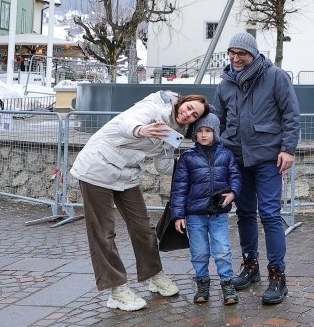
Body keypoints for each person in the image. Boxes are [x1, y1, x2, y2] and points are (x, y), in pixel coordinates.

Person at [69, 90, 209, 311]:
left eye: (194, 115)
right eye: (188, 107)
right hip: (97, 168)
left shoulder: (176, 132)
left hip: (126, 174)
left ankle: (154, 274)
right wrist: (141, 129)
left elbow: (163, 165)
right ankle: (117, 289)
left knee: (143, 227)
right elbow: (128, 123)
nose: (188, 114)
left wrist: (195, 167)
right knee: (103, 231)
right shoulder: (154, 107)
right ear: (182, 101)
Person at [212, 31, 300, 305]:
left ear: (253, 55)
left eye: (242, 54)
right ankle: (250, 267)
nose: (236, 58)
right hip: (238, 160)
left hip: (267, 158)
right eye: (232, 53)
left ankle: (278, 275)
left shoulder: (275, 77)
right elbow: (218, 119)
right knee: (245, 214)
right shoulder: (225, 83)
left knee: (271, 215)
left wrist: (288, 149)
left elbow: (291, 114)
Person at [170, 113, 242, 305]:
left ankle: (227, 284)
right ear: (194, 134)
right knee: (199, 251)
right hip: (195, 215)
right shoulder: (187, 158)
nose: (203, 135)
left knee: (222, 251)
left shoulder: (226, 155)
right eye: (200, 131)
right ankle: (202, 284)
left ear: (215, 133)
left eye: (208, 131)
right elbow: (179, 188)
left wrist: (233, 192)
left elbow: (235, 176)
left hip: (217, 212)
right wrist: (178, 215)